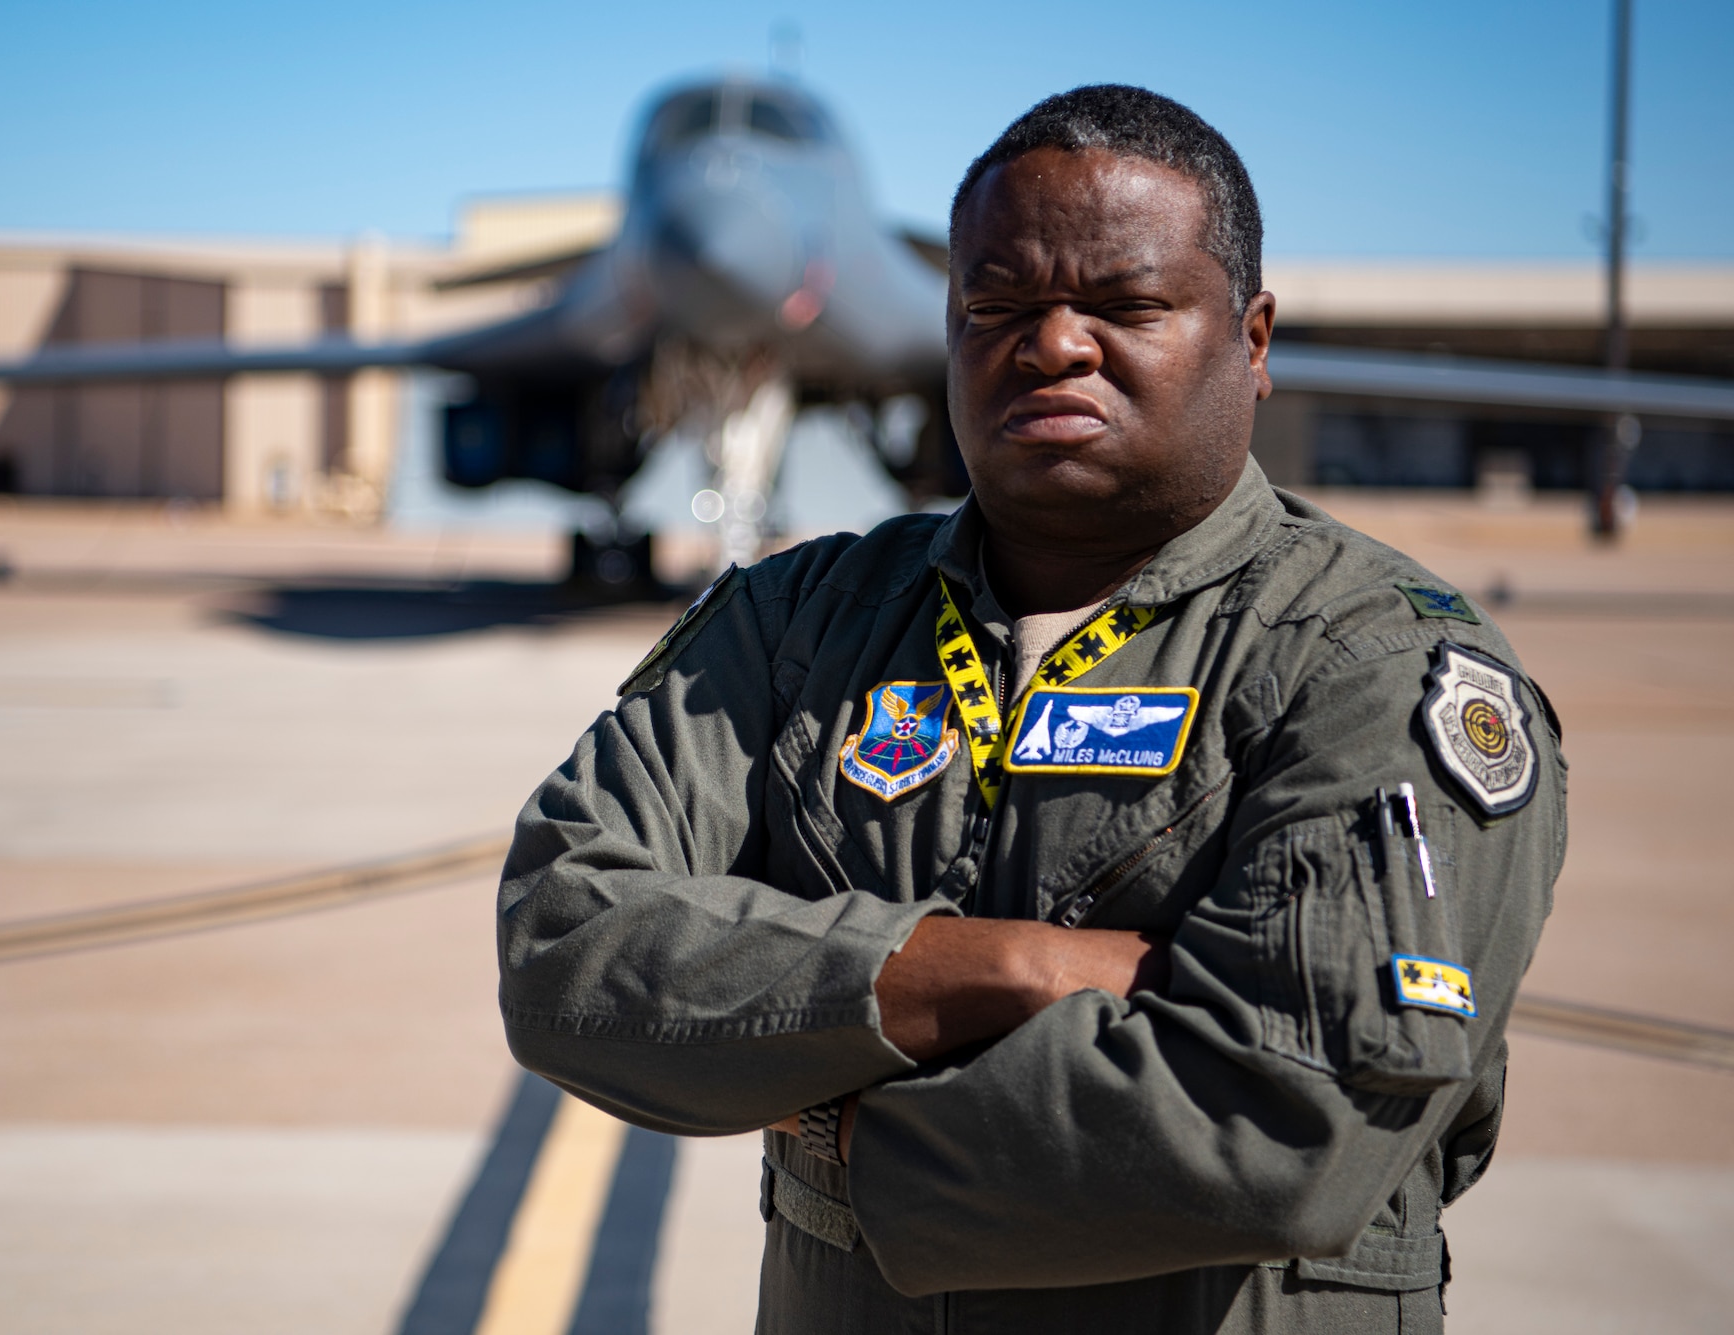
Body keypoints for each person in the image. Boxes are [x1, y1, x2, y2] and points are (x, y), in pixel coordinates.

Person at [496, 84, 1565, 1333]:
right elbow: (563, 946)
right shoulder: (799, 626)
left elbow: (1282, 1119)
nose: (1051, 344)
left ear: (1253, 339)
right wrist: (1006, 970)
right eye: (996, 306)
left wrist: (829, 1114)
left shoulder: (1371, 664)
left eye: (1125, 305)